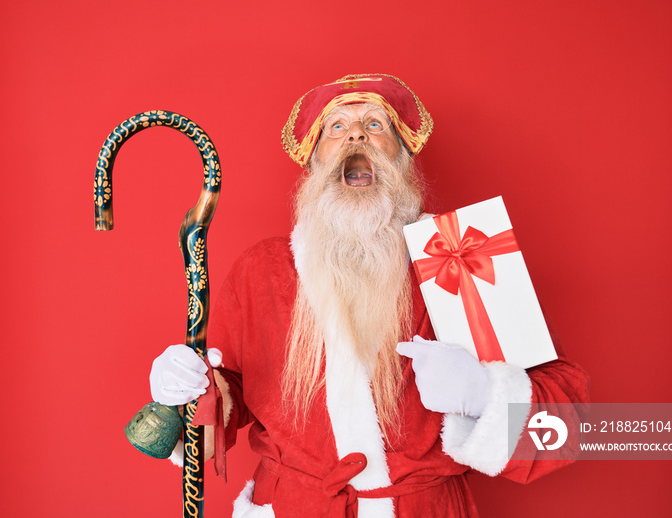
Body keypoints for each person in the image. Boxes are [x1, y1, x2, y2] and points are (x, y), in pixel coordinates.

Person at [149, 74, 589, 517]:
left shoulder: (460, 253)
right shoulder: (261, 269)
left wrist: (481, 393)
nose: (356, 134)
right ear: (314, 162)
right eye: (336, 127)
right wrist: (192, 389)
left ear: (404, 156)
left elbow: (567, 425)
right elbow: (228, 402)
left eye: (376, 124)